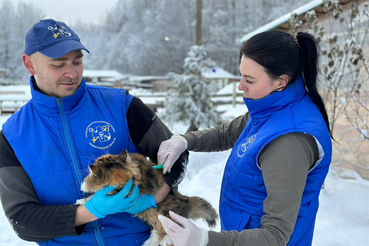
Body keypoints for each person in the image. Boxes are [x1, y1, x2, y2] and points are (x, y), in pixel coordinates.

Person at [0, 19, 188, 246]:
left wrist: (155, 194)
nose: (71, 73)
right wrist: (90, 211)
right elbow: (23, 220)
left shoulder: (122, 105)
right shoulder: (12, 136)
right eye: (58, 65)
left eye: (77, 62)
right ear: (30, 64)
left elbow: (175, 153)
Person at [157, 31, 333, 246]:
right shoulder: (274, 106)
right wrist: (184, 141)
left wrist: (204, 240)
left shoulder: (289, 142)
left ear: (281, 81)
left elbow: (275, 236)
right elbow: (227, 133)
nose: (240, 85)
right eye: (241, 75)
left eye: (249, 79)